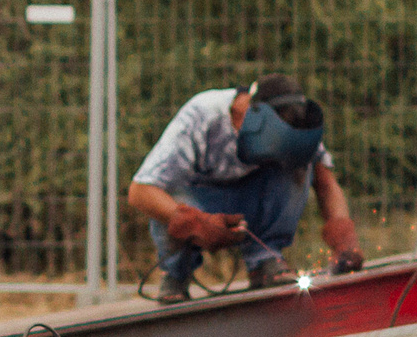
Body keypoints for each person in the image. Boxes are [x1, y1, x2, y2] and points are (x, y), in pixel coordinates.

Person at [127, 73, 364, 300]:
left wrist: (344, 239)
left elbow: (326, 183)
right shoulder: (203, 113)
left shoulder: (294, 124)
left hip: (253, 202)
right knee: (169, 198)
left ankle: (265, 260)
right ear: (254, 114)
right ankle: (176, 273)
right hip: (201, 202)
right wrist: (198, 223)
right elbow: (140, 191)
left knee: (301, 166)